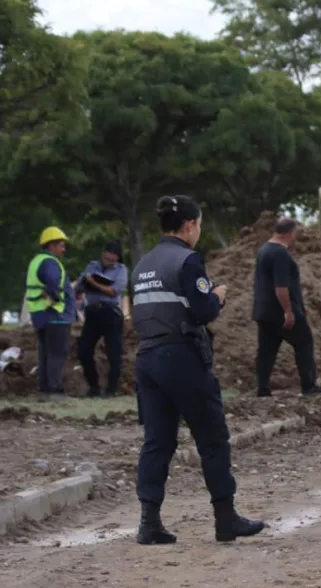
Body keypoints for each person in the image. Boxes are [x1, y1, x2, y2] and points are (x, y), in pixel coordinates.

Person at [131, 194, 265, 545]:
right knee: (212, 437)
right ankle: (225, 518)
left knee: (158, 441)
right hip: (181, 356)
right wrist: (218, 295)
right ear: (190, 225)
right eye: (200, 225)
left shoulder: (142, 265)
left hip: (147, 358)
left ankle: (149, 521)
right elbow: (203, 311)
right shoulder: (187, 260)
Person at [251, 217, 321, 397]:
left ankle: (263, 388)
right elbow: (281, 287)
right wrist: (288, 311)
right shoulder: (281, 254)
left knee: (266, 350)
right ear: (289, 233)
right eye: (295, 233)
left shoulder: (264, 250)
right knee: (304, 342)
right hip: (281, 311)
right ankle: (308, 385)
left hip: (264, 311)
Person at [24, 226, 76, 397]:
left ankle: (45, 389)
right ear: (52, 245)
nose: (64, 249)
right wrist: (55, 298)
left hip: (40, 314)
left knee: (46, 353)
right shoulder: (50, 262)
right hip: (54, 314)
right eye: (61, 245)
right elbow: (52, 282)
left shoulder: (36, 260)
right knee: (57, 353)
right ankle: (55, 390)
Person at [77, 241, 128, 397]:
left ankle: (112, 388)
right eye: (106, 259)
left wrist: (94, 282)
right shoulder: (92, 266)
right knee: (84, 350)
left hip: (110, 312)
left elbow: (113, 291)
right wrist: (84, 283)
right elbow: (79, 285)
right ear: (102, 253)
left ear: (117, 258)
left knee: (114, 353)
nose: (108, 262)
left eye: (112, 260)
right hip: (92, 312)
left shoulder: (121, 270)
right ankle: (94, 386)